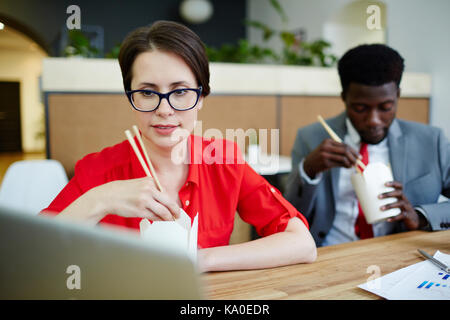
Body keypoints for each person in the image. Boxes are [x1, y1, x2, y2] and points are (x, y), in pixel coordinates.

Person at [41, 20, 317, 271]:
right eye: (148, 92)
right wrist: (103, 199)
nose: (164, 109)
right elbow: (32, 255)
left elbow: (301, 244)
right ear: (130, 96)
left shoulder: (223, 159)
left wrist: (200, 259)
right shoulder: (98, 170)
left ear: (201, 96)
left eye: (181, 91)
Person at [284, 44, 450, 247]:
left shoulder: (431, 140)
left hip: (400, 255)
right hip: (331, 254)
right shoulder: (310, 137)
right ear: (344, 97)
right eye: (360, 108)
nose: (373, 120)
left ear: (397, 95)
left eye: (385, 107)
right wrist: (308, 170)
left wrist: (420, 216)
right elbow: (286, 215)